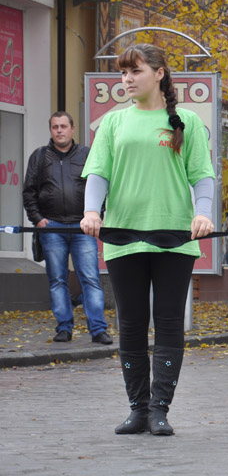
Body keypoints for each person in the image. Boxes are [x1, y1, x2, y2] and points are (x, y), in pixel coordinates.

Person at [80, 43, 215, 436]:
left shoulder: (186, 121)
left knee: (169, 322)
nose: (127, 79)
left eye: (135, 71)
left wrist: (203, 212)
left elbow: (202, 176)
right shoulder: (113, 122)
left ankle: (160, 410)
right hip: (123, 236)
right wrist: (92, 211)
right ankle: (138, 409)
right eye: (123, 72)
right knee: (131, 324)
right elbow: (99, 173)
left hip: (174, 236)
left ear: (159, 73)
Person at [22, 111, 111, 345]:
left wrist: (96, 215)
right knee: (57, 280)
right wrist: (37, 219)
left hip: (82, 227)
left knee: (90, 278)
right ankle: (64, 328)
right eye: (55, 127)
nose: (59, 131)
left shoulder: (87, 155)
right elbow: (29, 191)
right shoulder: (39, 156)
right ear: (51, 130)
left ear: (72, 129)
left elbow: (100, 186)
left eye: (63, 126)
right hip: (51, 227)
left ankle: (98, 330)